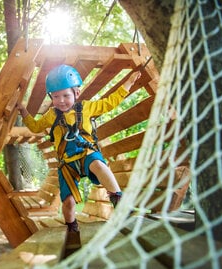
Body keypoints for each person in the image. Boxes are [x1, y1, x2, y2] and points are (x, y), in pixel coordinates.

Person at [17, 64, 141, 233]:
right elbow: (36, 127)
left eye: (66, 95)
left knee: (99, 165)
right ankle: (72, 227)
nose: (61, 100)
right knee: (68, 202)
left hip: (86, 153)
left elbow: (109, 103)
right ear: (51, 97)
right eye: (56, 96)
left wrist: (129, 82)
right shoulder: (52, 115)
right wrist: (24, 112)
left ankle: (119, 200)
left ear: (76, 93)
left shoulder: (86, 108)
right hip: (67, 162)